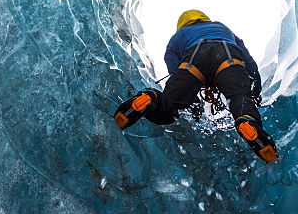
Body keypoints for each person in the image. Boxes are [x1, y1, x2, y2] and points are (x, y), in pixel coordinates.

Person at [114, 9, 278, 162]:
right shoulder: (221, 27)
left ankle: (151, 97)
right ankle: (247, 121)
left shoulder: (178, 36)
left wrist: (188, 96)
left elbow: (172, 64)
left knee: (170, 106)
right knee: (239, 97)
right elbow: (246, 56)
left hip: (194, 58)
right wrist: (255, 89)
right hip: (227, 54)